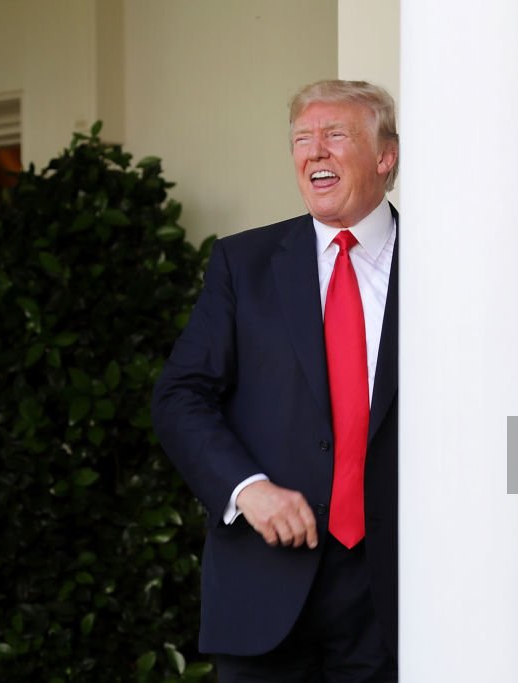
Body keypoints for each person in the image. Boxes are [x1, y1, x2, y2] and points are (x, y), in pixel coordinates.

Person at [151, 80, 399, 682]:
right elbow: (180, 396)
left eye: (335, 135)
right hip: (264, 586)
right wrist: (247, 489)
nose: (314, 151)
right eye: (301, 139)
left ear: (386, 156)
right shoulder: (243, 263)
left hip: (398, 592)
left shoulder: (451, 263)